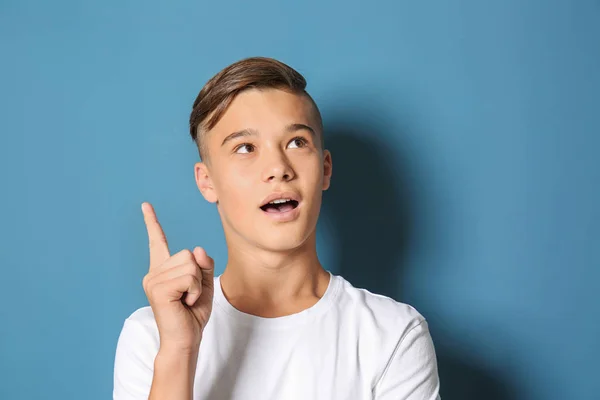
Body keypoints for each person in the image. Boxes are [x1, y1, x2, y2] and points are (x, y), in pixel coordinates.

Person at [113, 56, 441, 400]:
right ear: (206, 181)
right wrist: (179, 351)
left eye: (297, 142)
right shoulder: (152, 337)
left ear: (325, 168)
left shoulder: (393, 335)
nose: (278, 168)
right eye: (245, 148)